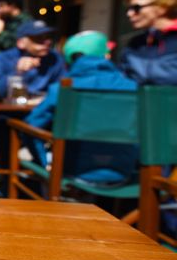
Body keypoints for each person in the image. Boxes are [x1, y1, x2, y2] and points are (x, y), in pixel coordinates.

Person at [24, 31, 138, 185]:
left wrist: (45, 163)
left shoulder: (63, 88)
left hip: (71, 171)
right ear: (106, 56)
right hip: (125, 172)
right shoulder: (135, 88)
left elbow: (31, 127)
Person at [0, 19, 66, 99]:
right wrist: (18, 72)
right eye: (38, 38)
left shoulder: (55, 58)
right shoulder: (1, 59)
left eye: (48, 37)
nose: (47, 42)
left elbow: (62, 88)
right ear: (21, 43)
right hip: (10, 110)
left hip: (44, 108)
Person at [120, 0, 177, 85]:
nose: (129, 14)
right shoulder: (136, 43)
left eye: (136, 8)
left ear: (162, 8)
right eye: (129, 9)